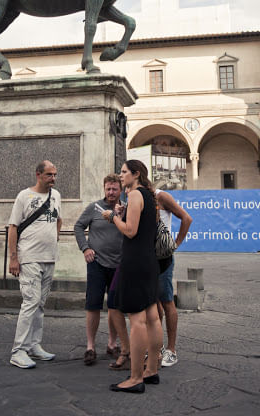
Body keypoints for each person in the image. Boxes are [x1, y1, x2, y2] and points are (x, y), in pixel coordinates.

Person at [103, 160, 163, 394]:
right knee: (153, 318)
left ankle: (135, 377)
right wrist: (123, 212)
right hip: (149, 261)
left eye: (124, 172)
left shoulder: (136, 195)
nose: (121, 175)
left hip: (135, 262)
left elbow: (130, 230)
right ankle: (151, 370)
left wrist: (112, 217)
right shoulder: (149, 195)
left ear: (136, 174)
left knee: (137, 320)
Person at [8, 160, 62, 369]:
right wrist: (14, 258)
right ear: (38, 175)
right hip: (29, 256)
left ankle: (33, 345)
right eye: (49, 175)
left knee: (40, 304)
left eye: (55, 175)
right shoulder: (24, 196)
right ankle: (18, 350)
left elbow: (58, 220)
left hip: (49, 257)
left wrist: (52, 240)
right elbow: (13, 228)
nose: (53, 179)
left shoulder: (56, 196)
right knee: (30, 302)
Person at [74, 174, 130, 368]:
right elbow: (78, 226)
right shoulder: (94, 208)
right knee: (93, 305)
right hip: (96, 263)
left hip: (119, 265)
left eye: (115, 189)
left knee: (115, 307)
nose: (111, 192)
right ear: (104, 189)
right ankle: (90, 347)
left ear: (120, 190)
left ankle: (112, 344)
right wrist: (85, 248)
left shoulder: (126, 209)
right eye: (108, 189)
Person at [156, 189, 192, 367]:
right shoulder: (136, 197)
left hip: (163, 257)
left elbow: (187, 218)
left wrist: (175, 244)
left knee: (166, 301)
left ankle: (171, 350)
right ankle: (157, 347)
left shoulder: (160, 196)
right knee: (153, 304)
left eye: (125, 173)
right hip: (147, 258)